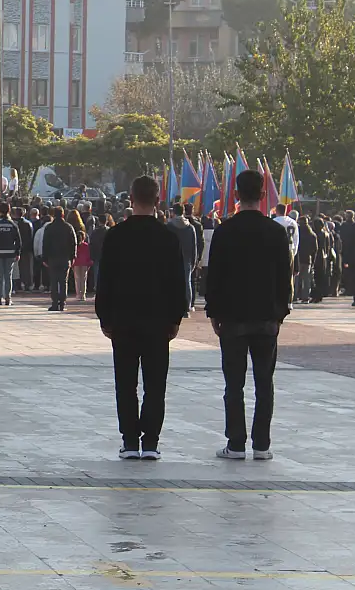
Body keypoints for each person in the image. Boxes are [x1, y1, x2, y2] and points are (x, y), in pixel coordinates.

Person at [94, 176, 188, 461]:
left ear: (131, 199)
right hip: (158, 321)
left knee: (125, 383)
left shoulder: (116, 235)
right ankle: (151, 442)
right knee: (155, 384)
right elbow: (177, 281)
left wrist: (104, 317)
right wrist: (176, 318)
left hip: (123, 319)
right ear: (158, 200)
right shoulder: (168, 237)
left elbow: (105, 279)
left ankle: (130, 441)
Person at [206, 169, 292, 461]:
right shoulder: (276, 232)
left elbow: (214, 276)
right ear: (263, 194)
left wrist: (213, 312)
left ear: (235, 195)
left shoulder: (225, 231)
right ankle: (262, 444)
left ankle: (236, 442)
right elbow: (285, 276)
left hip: (232, 317)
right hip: (267, 316)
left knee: (234, 384)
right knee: (264, 382)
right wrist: (282, 310)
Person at [41, 206, 77, 312]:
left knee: (54, 280)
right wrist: (73, 256)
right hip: (65, 257)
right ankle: (62, 303)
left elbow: (45, 243)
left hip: (53, 257)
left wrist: (44, 257)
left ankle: (54, 303)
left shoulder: (49, 227)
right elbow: (73, 242)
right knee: (63, 281)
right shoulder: (68, 227)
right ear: (62, 214)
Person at [166, 204, 198, 310]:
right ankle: (186, 307)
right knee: (187, 283)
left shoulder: (169, 227)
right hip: (187, 258)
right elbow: (194, 246)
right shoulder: (190, 227)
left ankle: (173, 306)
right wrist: (194, 261)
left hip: (172, 258)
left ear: (173, 212)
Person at [0, 203, 21, 306]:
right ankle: (8, 298)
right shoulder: (13, 224)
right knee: (8, 276)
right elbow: (18, 240)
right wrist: (17, 252)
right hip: (10, 253)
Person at [69, 209, 92, 302]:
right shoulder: (82, 227)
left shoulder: (69, 227)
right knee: (83, 278)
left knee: (77, 278)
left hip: (76, 261)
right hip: (84, 262)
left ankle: (78, 293)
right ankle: (83, 294)